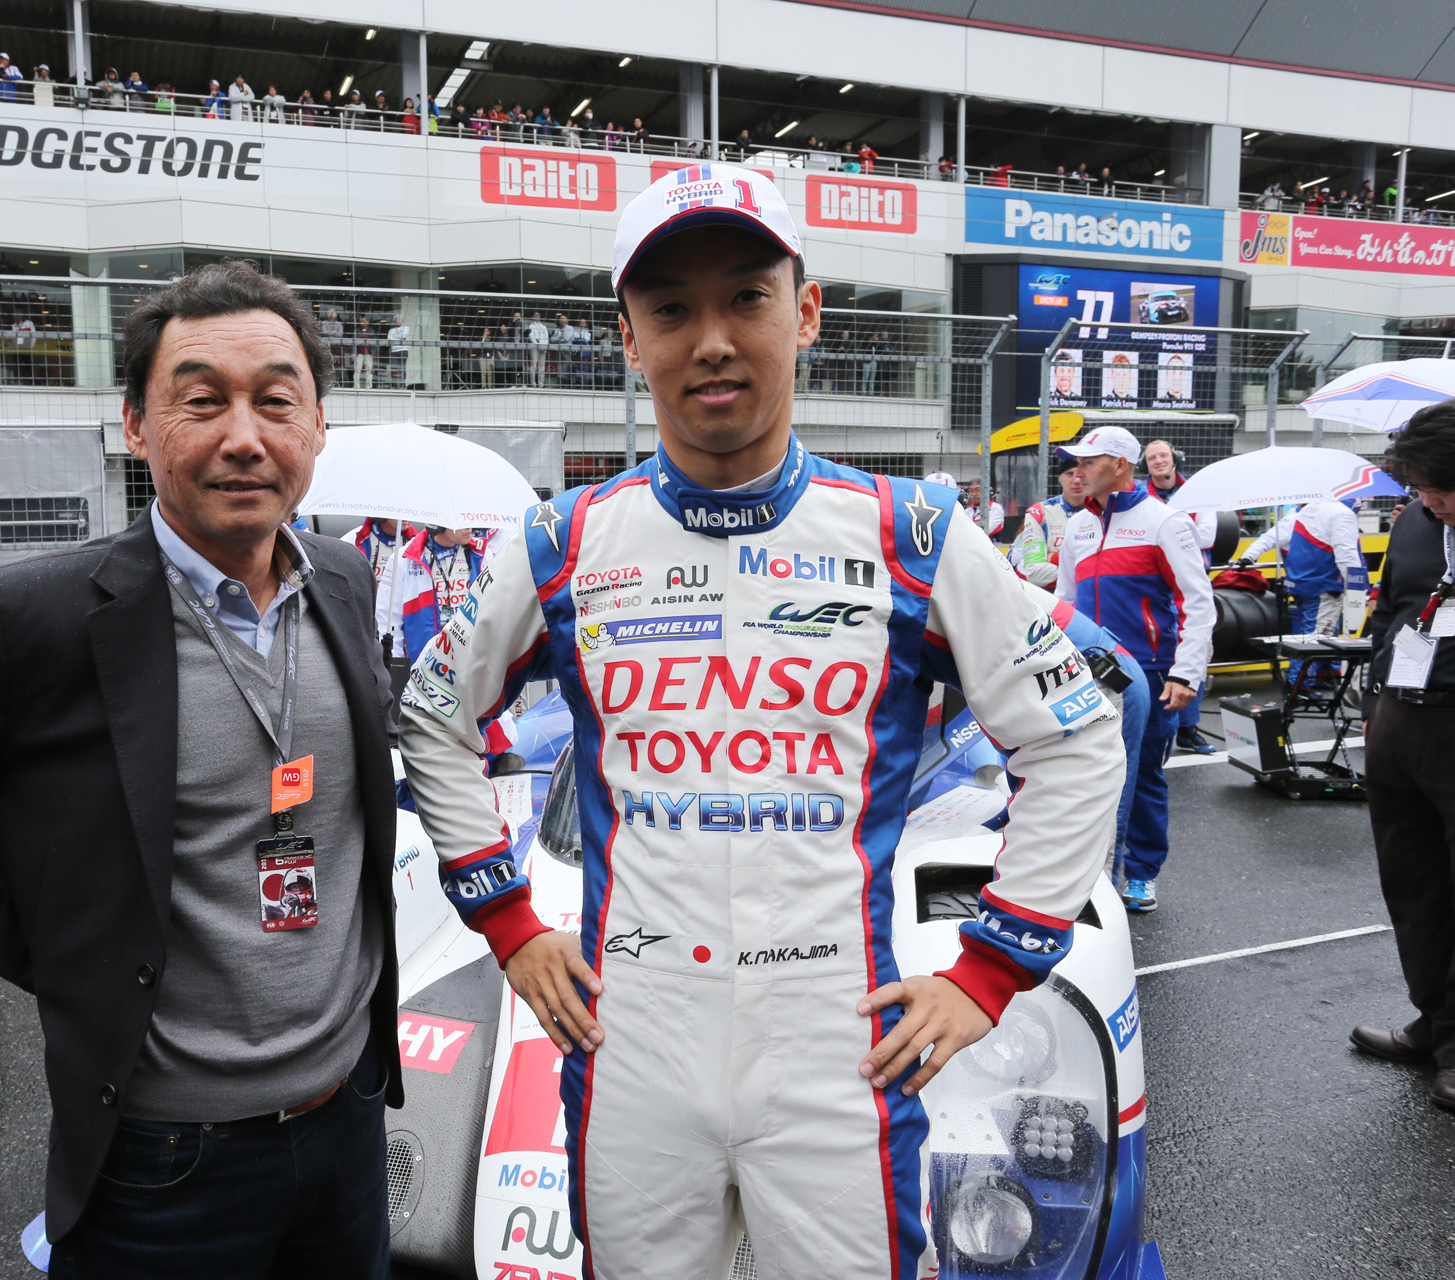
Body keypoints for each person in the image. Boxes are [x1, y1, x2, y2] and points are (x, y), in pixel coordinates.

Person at [396, 164, 1124, 1280]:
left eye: (746, 296)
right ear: (629, 338)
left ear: (808, 309)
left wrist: (990, 972)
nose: (714, 340)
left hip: (838, 1045)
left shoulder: (914, 534)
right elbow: (433, 719)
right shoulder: (561, 541)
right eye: (672, 310)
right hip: (632, 1037)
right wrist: (510, 923)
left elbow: (1073, 736)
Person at [0, 261, 405, 1276]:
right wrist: (60, 939)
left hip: (346, 1122)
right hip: (164, 1158)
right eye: (201, 401)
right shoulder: (37, 618)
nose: (244, 436)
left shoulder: (342, 580)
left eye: (276, 401)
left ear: (318, 426)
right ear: (134, 423)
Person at [1054, 425, 1213, 912]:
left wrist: (1186, 674)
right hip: (1085, 671)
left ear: (1119, 465)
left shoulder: (1164, 522)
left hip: (1147, 671)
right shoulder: (1078, 525)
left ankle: (1140, 873)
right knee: (1080, 776)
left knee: (1141, 775)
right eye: (1075, 463)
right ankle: (1082, 876)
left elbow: (1198, 603)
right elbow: (1064, 603)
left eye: (1088, 461)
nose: (1077, 471)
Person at [1357, 402, 1455, 1111]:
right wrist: (1371, 705)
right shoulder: (1417, 521)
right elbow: (1393, 610)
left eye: (1440, 488)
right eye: (1420, 488)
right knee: (1414, 887)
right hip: (1400, 721)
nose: (1430, 501)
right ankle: (1435, 1022)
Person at [1237, 498, 1365, 694]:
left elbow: (1269, 537)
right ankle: (1299, 685)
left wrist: (1248, 556)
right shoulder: (1341, 514)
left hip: (1301, 584)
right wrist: (1358, 589)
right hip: (1325, 585)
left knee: (1307, 636)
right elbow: (1347, 554)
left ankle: (1317, 678)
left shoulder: (1303, 512)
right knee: (1317, 639)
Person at [1141, 439, 1219, 751]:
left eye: (1163, 455)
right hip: (1155, 591)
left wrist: (1166, 530)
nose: (1158, 461)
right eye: (1151, 458)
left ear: (1175, 459)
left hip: (1189, 588)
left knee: (1197, 656)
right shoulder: (1138, 497)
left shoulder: (1201, 494)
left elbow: (1208, 536)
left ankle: (1188, 728)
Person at [375, 525, 502, 661]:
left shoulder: (482, 554)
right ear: (437, 526)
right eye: (459, 521)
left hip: (470, 664)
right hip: (421, 668)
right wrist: (396, 665)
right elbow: (387, 619)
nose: (468, 526)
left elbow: (496, 612)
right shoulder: (403, 559)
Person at [1011, 453, 1090, 587]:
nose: (1076, 480)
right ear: (1060, 478)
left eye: (1081, 475)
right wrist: (1091, 574)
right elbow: (1034, 573)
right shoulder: (1040, 513)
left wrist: (1054, 558)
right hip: (1053, 599)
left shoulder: (1105, 511)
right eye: (1070, 474)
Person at [386, 312, 410, 388]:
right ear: (395, 321)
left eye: (399, 319)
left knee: (402, 368)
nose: (398, 320)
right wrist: (399, 338)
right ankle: (394, 385)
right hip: (394, 351)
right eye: (397, 319)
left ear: (402, 320)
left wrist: (395, 338)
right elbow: (389, 340)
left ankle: (403, 384)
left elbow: (403, 336)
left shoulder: (406, 328)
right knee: (393, 369)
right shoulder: (391, 330)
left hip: (403, 350)